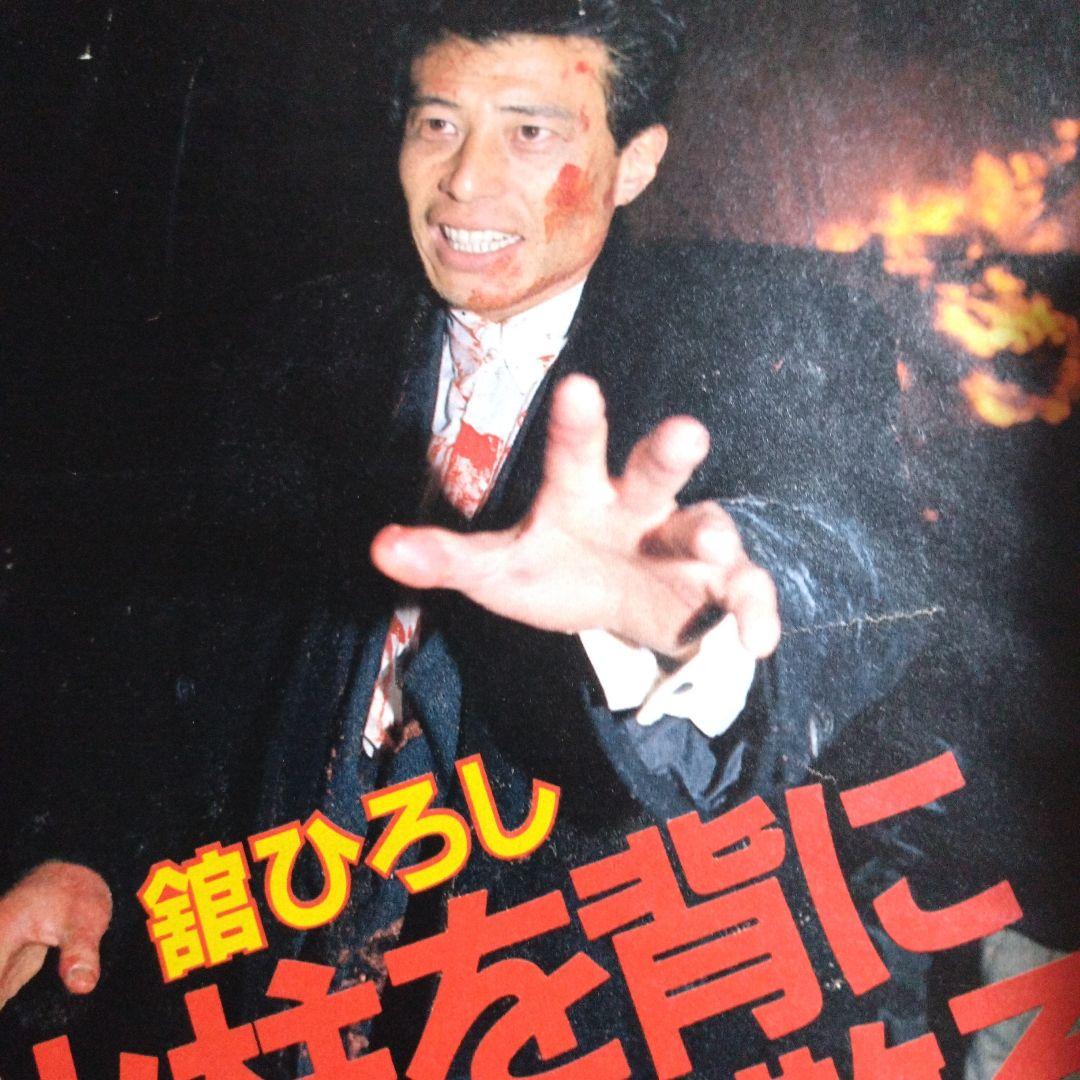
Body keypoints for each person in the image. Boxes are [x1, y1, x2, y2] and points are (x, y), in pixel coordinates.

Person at [0, 1, 928, 1073]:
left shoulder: (759, 340)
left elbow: (857, 559)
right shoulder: (304, 340)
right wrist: (87, 851)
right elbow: (179, 641)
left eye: (531, 132)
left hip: (579, 1023)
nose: (464, 181)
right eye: (438, 123)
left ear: (635, 162)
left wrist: (691, 621)